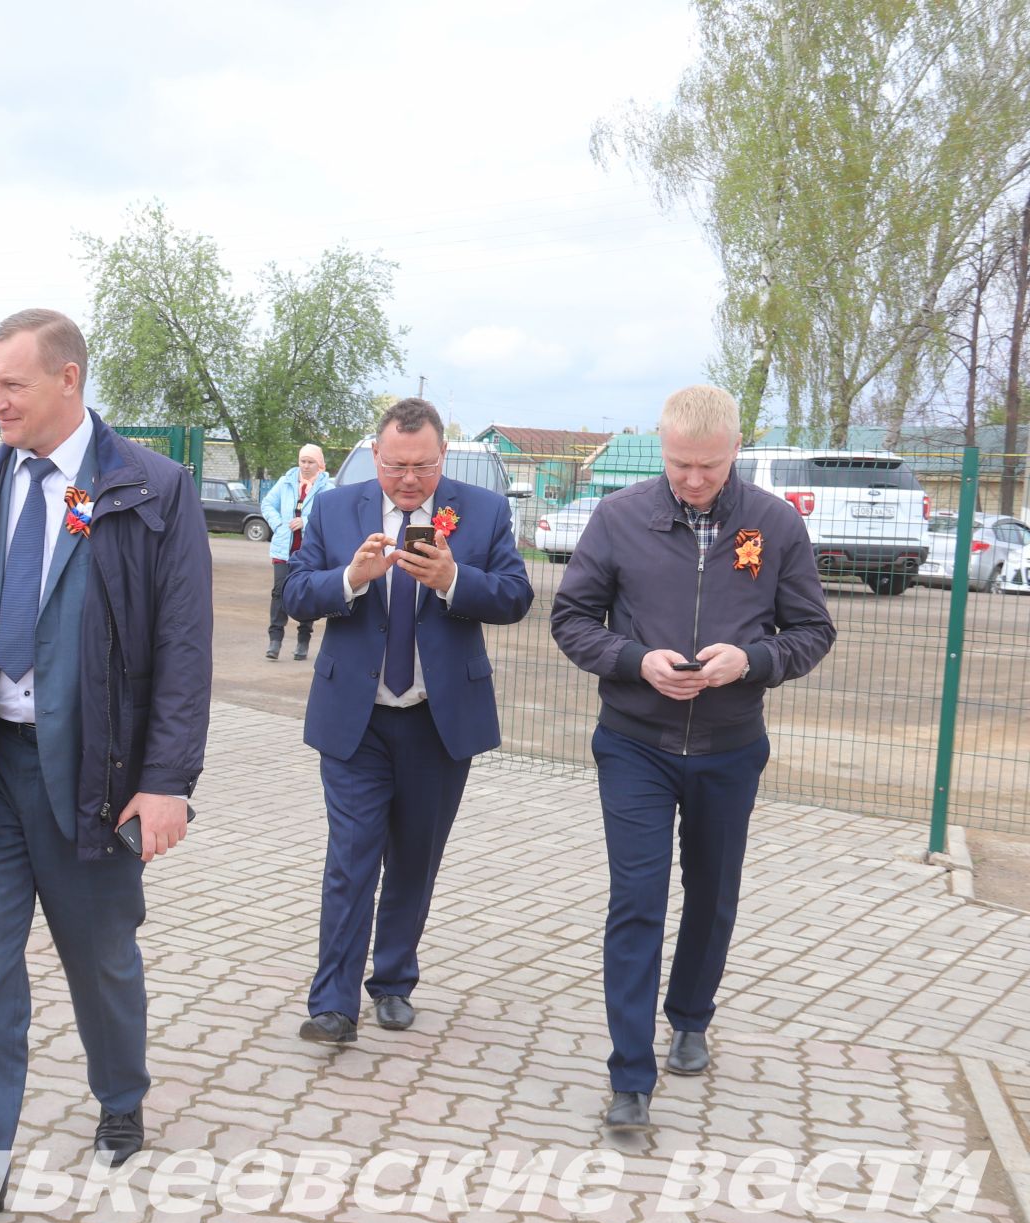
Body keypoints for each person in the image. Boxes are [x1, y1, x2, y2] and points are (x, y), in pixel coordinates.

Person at [0, 309, 212, 1223]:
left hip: (98, 778)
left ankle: (121, 1096)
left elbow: (184, 650)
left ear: (69, 380)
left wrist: (168, 780)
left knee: (101, 958)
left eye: (10, 386)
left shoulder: (149, 489)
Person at [550, 385, 834, 1133]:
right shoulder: (618, 518)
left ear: (737, 449)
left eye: (708, 465)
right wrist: (635, 660)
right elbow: (572, 619)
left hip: (729, 747)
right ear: (661, 448)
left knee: (712, 893)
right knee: (637, 900)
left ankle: (692, 1016)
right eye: (680, 464)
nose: (695, 479)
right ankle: (629, 1079)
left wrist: (753, 660)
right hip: (634, 743)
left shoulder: (774, 525)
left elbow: (812, 630)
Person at [282, 397, 533, 1046]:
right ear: (376, 455)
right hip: (355, 721)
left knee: (414, 859)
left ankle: (392, 980)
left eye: (422, 466)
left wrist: (455, 579)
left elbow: (515, 596)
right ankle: (333, 1005)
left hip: (436, 721)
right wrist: (350, 578)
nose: (409, 480)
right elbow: (296, 593)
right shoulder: (338, 508)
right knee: (352, 857)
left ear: (443, 457)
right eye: (396, 466)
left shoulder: (484, 512)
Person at [261, 444, 333, 660]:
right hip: (284, 549)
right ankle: (275, 640)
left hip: (309, 551)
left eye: (311, 462)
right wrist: (280, 525)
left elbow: (330, 515)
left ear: (319, 464)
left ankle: (303, 641)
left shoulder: (327, 488)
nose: (306, 465)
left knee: (306, 593)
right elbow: (267, 504)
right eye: (303, 461)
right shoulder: (286, 482)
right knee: (279, 592)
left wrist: (306, 521)